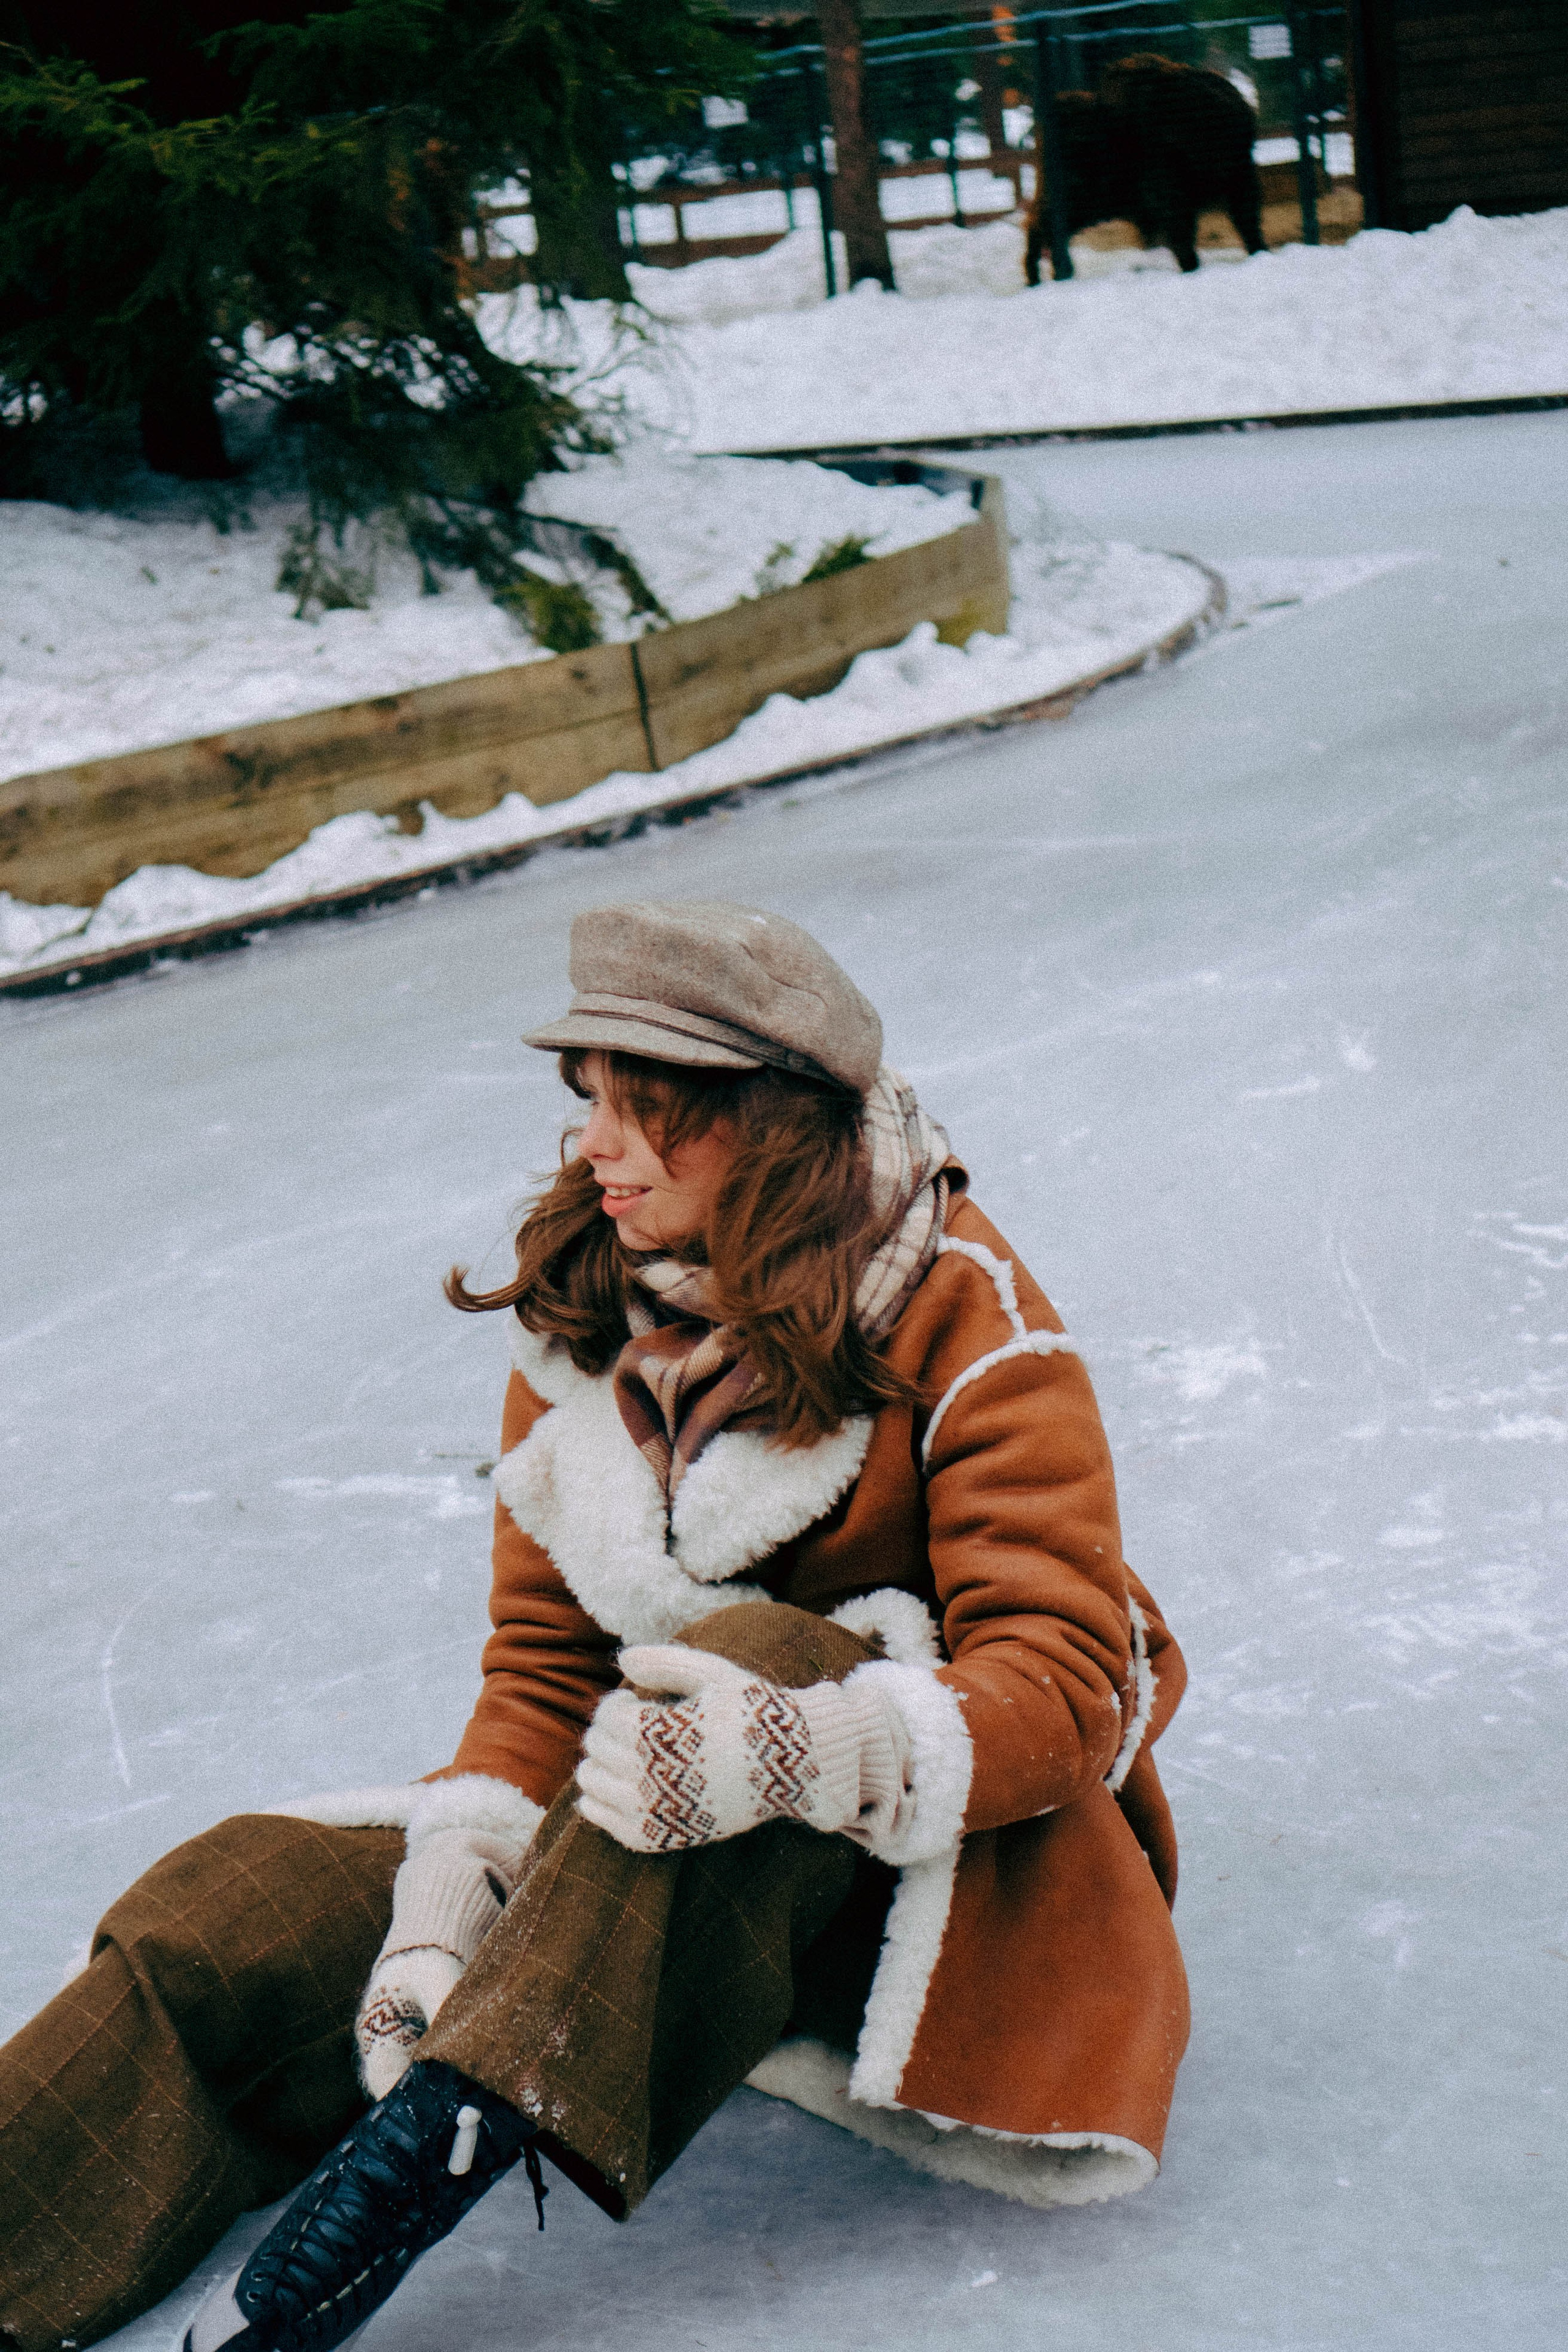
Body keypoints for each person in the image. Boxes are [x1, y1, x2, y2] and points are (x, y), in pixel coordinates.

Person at [0, 899, 1189, 2352]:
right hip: (629, 1854)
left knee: (751, 1667)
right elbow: (544, 1664)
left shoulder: (964, 1312)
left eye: (646, 1111)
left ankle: (427, 2154)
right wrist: (449, 1898)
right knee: (238, 1907)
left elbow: (1071, 1685)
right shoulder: (589, 1314)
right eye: (589, 1103)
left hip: (911, 1897)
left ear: (768, 1125)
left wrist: (805, 1749)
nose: (594, 1147)